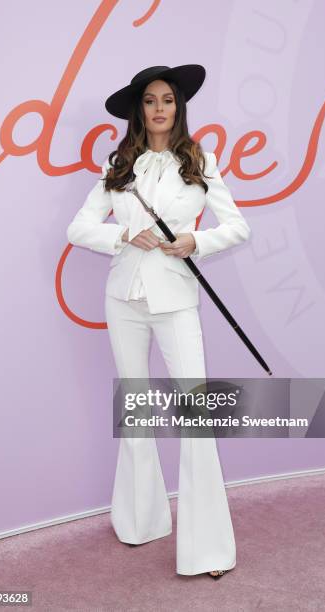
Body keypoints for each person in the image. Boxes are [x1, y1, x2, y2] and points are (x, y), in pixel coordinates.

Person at [66, 64, 251, 579]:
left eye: (167, 99)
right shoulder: (118, 163)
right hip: (122, 297)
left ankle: (209, 550)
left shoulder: (200, 161)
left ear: (179, 106)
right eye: (150, 101)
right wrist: (121, 237)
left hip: (175, 299)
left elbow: (237, 226)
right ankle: (141, 520)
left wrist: (197, 241)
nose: (160, 109)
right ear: (139, 109)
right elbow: (78, 227)